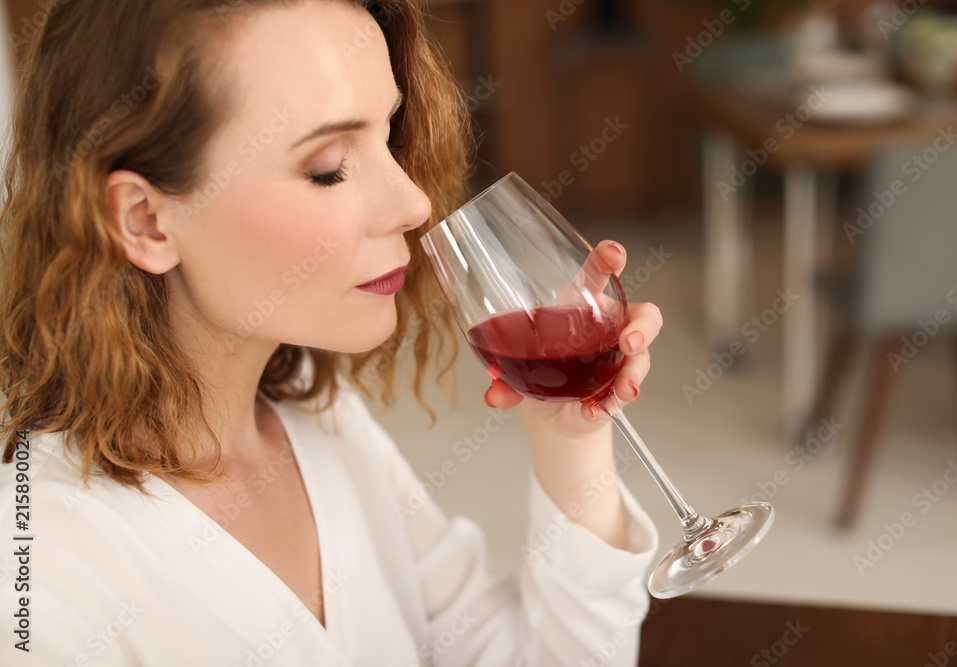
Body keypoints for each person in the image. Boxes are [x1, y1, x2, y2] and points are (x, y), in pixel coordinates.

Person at [0, 0, 664, 664]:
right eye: (327, 167)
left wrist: (569, 438)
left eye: (391, 138)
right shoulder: (42, 583)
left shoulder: (326, 428)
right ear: (146, 221)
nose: (414, 201)